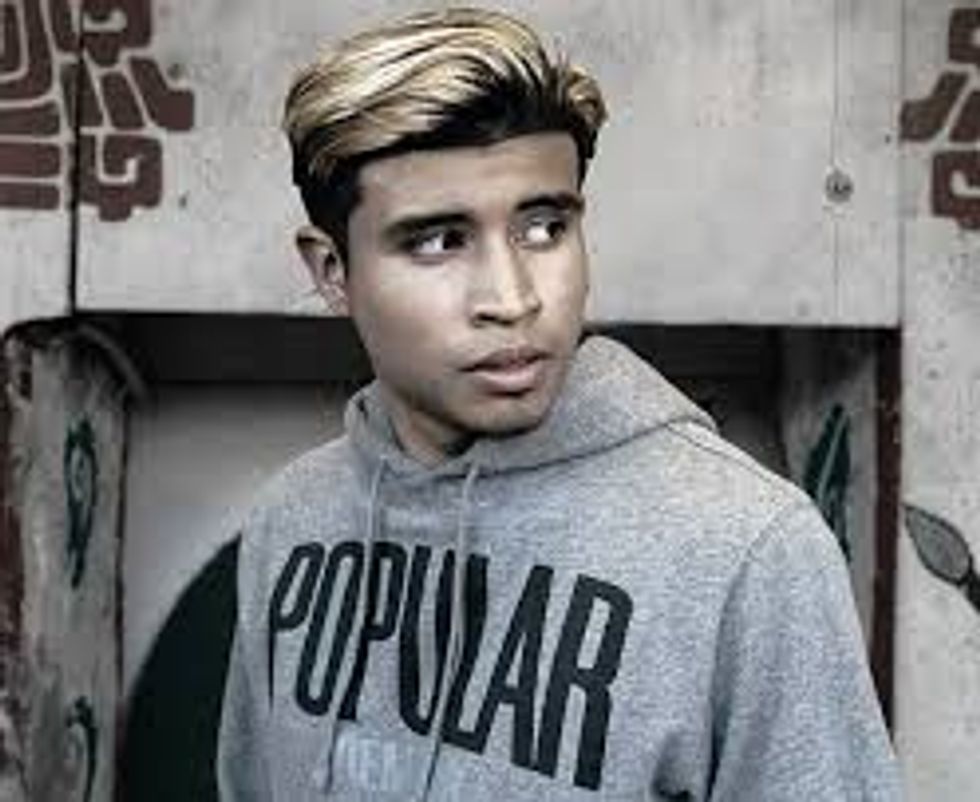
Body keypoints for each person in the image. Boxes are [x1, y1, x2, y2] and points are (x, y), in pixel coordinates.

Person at [217, 8, 901, 801]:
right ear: (332, 270)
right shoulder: (293, 518)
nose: (513, 299)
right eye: (438, 241)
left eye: (544, 228)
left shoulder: (747, 547)